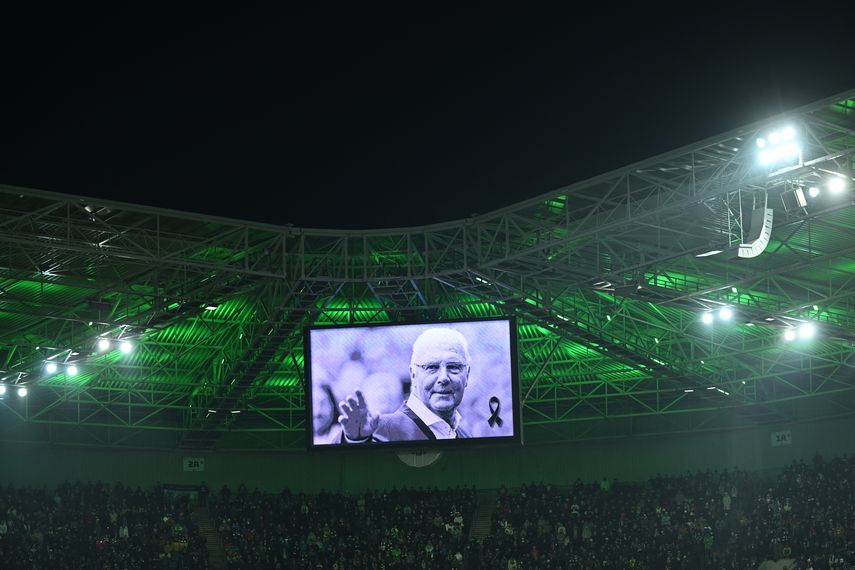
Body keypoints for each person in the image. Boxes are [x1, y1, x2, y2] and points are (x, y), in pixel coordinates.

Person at [338, 327, 472, 442]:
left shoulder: (465, 434)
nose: (444, 377)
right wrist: (356, 442)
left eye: (454, 366)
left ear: (467, 374)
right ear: (413, 374)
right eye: (431, 367)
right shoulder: (380, 427)